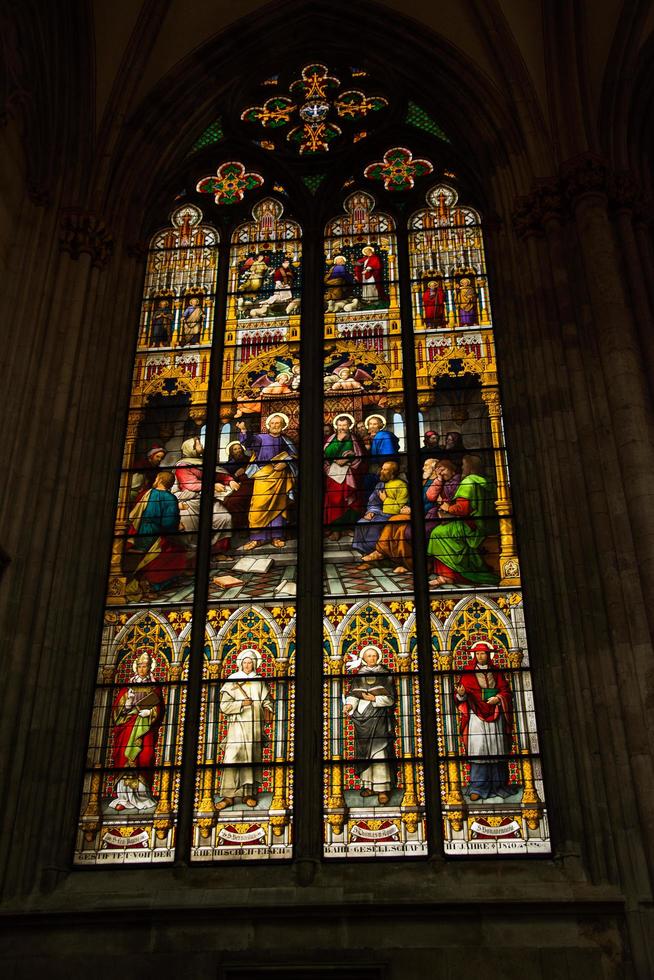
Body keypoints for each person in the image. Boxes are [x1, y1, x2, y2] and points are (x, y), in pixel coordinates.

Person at [427, 454, 499, 587]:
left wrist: (448, 508)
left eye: (464, 465)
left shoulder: (468, 482)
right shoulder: (486, 481)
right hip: (486, 523)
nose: (462, 468)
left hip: (471, 525)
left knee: (437, 533)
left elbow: (462, 509)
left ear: (470, 467)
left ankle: (447, 575)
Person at [455, 640, 513, 800]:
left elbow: (506, 692)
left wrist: (498, 698)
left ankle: (499, 785)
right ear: (475, 655)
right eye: (478, 654)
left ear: (488, 655)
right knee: (479, 749)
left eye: (484, 653)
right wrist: (461, 694)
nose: (481, 656)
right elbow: (461, 696)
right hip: (476, 716)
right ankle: (478, 787)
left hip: (495, 713)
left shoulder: (496, 672)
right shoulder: (467, 672)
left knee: (496, 748)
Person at [217, 648, 274, 810]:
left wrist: (268, 709)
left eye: (250, 662)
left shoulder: (259, 680)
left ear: (255, 664)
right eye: (245, 662)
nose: (247, 665)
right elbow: (224, 706)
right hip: (237, 726)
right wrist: (241, 704)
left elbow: (267, 700)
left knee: (251, 759)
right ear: (240, 664)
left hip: (254, 727)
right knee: (232, 757)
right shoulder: (233, 681)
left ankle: (248, 794)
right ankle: (228, 796)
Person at [109, 650, 165, 812]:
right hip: (128, 728)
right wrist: (127, 706)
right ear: (136, 667)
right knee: (124, 757)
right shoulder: (128, 687)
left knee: (145, 757)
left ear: (150, 668)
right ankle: (124, 798)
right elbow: (116, 714)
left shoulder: (154, 686)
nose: (142, 669)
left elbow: (160, 708)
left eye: (145, 666)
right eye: (140, 666)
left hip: (145, 728)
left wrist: (151, 712)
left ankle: (143, 796)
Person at [344, 645, 395, 805]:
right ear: (364, 658)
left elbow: (391, 699)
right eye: (368, 656)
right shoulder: (359, 674)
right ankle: (370, 786)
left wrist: (375, 699)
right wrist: (349, 705)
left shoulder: (385, 675)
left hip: (379, 717)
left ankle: (382, 789)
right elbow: (354, 695)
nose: (371, 658)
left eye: (374, 656)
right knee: (365, 753)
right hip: (361, 719)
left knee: (379, 753)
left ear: (378, 657)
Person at [238, 412, 297, 550]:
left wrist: (286, 463)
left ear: (283, 425)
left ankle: (276, 536)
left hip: (280, 477)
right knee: (258, 506)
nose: (275, 425)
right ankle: (256, 539)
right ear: (268, 425)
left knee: (278, 507)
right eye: (273, 423)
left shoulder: (286, 440)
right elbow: (249, 442)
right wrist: (243, 430)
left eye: (278, 423)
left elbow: (294, 456)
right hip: (263, 476)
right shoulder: (261, 438)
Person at [126, 470, 188, 593]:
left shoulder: (147, 493)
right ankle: (154, 583)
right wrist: (177, 526)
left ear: (159, 480)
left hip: (142, 533)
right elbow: (168, 523)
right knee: (179, 550)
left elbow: (134, 514)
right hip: (156, 535)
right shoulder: (170, 498)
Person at [174, 435, 233, 552]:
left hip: (208, 498)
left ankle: (217, 552)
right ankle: (195, 556)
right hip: (190, 501)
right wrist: (212, 485)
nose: (201, 445)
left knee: (224, 518)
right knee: (192, 527)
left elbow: (217, 474)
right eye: (199, 444)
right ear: (192, 448)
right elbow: (190, 485)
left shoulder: (202, 461)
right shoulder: (182, 465)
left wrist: (229, 480)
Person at [352, 460, 409, 558]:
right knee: (361, 523)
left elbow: (400, 507)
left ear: (392, 473)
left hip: (392, 515)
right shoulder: (380, 485)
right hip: (379, 514)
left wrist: (386, 499)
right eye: (382, 469)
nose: (381, 471)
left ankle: (374, 552)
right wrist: (371, 512)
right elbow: (373, 502)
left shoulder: (401, 485)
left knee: (375, 526)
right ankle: (362, 550)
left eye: (385, 470)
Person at [323, 413, 365, 540]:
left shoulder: (354, 439)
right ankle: (336, 529)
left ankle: (347, 528)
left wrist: (349, 457)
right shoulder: (331, 439)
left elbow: (361, 455)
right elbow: (326, 454)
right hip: (334, 474)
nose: (342, 428)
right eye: (339, 425)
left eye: (344, 425)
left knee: (350, 501)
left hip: (350, 473)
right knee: (334, 501)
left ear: (349, 426)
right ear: (336, 426)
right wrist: (339, 442)